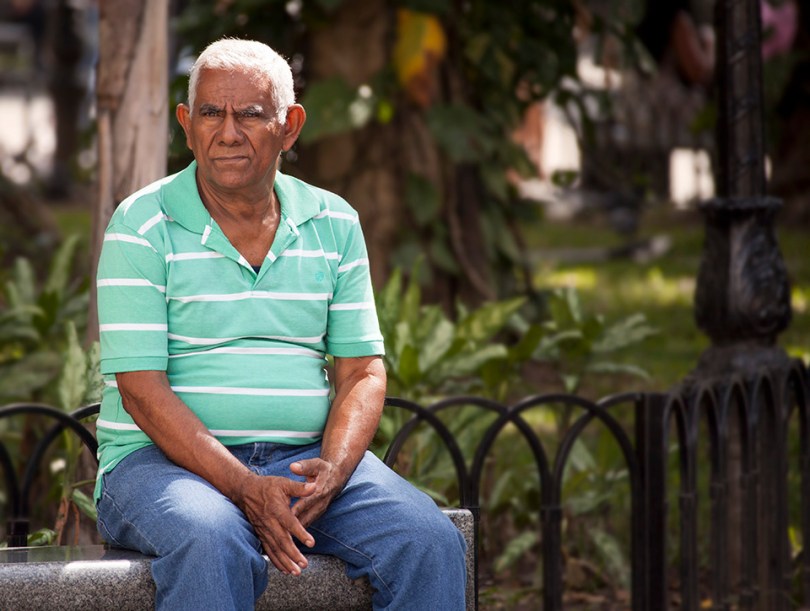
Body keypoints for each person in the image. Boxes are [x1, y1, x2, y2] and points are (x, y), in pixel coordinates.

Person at [93, 38, 467, 611]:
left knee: (429, 542)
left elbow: (362, 371)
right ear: (186, 125)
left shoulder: (333, 221)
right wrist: (244, 488)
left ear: (289, 127)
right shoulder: (142, 225)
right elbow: (141, 392)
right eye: (212, 113)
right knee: (212, 538)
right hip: (158, 467)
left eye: (249, 114)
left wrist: (332, 474)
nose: (228, 132)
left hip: (302, 459)